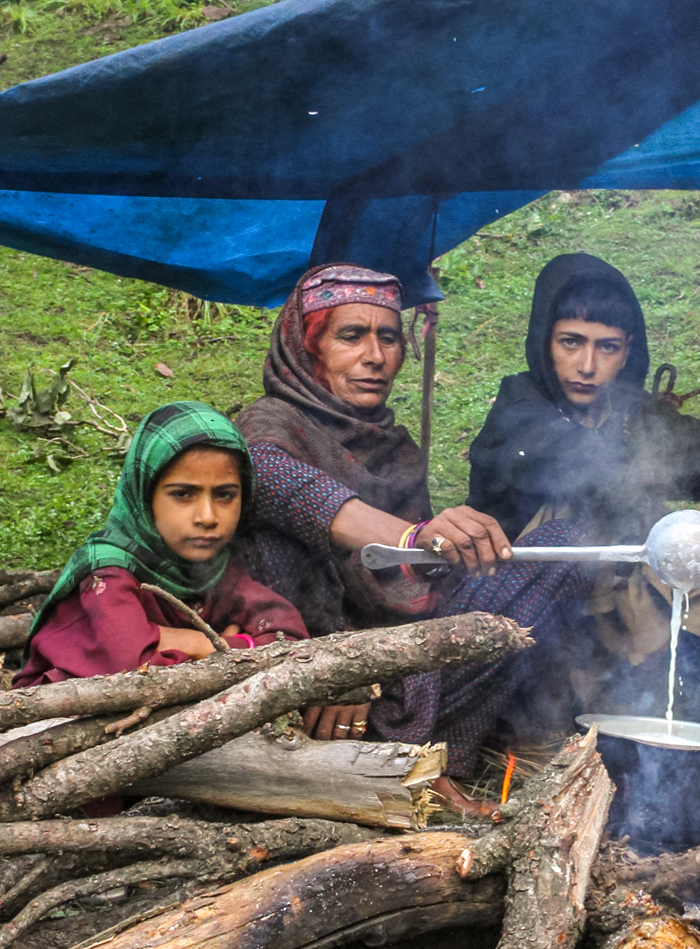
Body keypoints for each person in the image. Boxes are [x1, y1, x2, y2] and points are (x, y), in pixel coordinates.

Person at [235, 263, 588, 817]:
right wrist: (340, 665)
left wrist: (450, 555)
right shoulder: (269, 424)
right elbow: (272, 479)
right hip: (311, 683)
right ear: (309, 348)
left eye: (389, 337)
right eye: (351, 336)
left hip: (400, 670)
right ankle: (395, 761)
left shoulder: (393, 446)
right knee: (279, 532)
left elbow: (404, 584)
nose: (376, 356)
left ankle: (429, 752)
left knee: (562, 547)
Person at [466, 253, 700, 713]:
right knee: (572, 508)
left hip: (638, 602)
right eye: (570, 342)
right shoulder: (519, 410)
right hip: (541, 619)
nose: (588, 365)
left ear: (628, 350)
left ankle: (657, 670)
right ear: (543, 341)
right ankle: (581, 687)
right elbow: (595, 480)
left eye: (607, 347)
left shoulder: (635, 417)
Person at [15, 402, 310, 690]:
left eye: (224, 495)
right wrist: (237, 647)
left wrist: (193, 642)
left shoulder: (218, 570)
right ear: (145, 497)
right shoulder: (108, 576)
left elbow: (292, 640)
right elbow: (138, 675)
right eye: (183, 494)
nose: (207, 517)